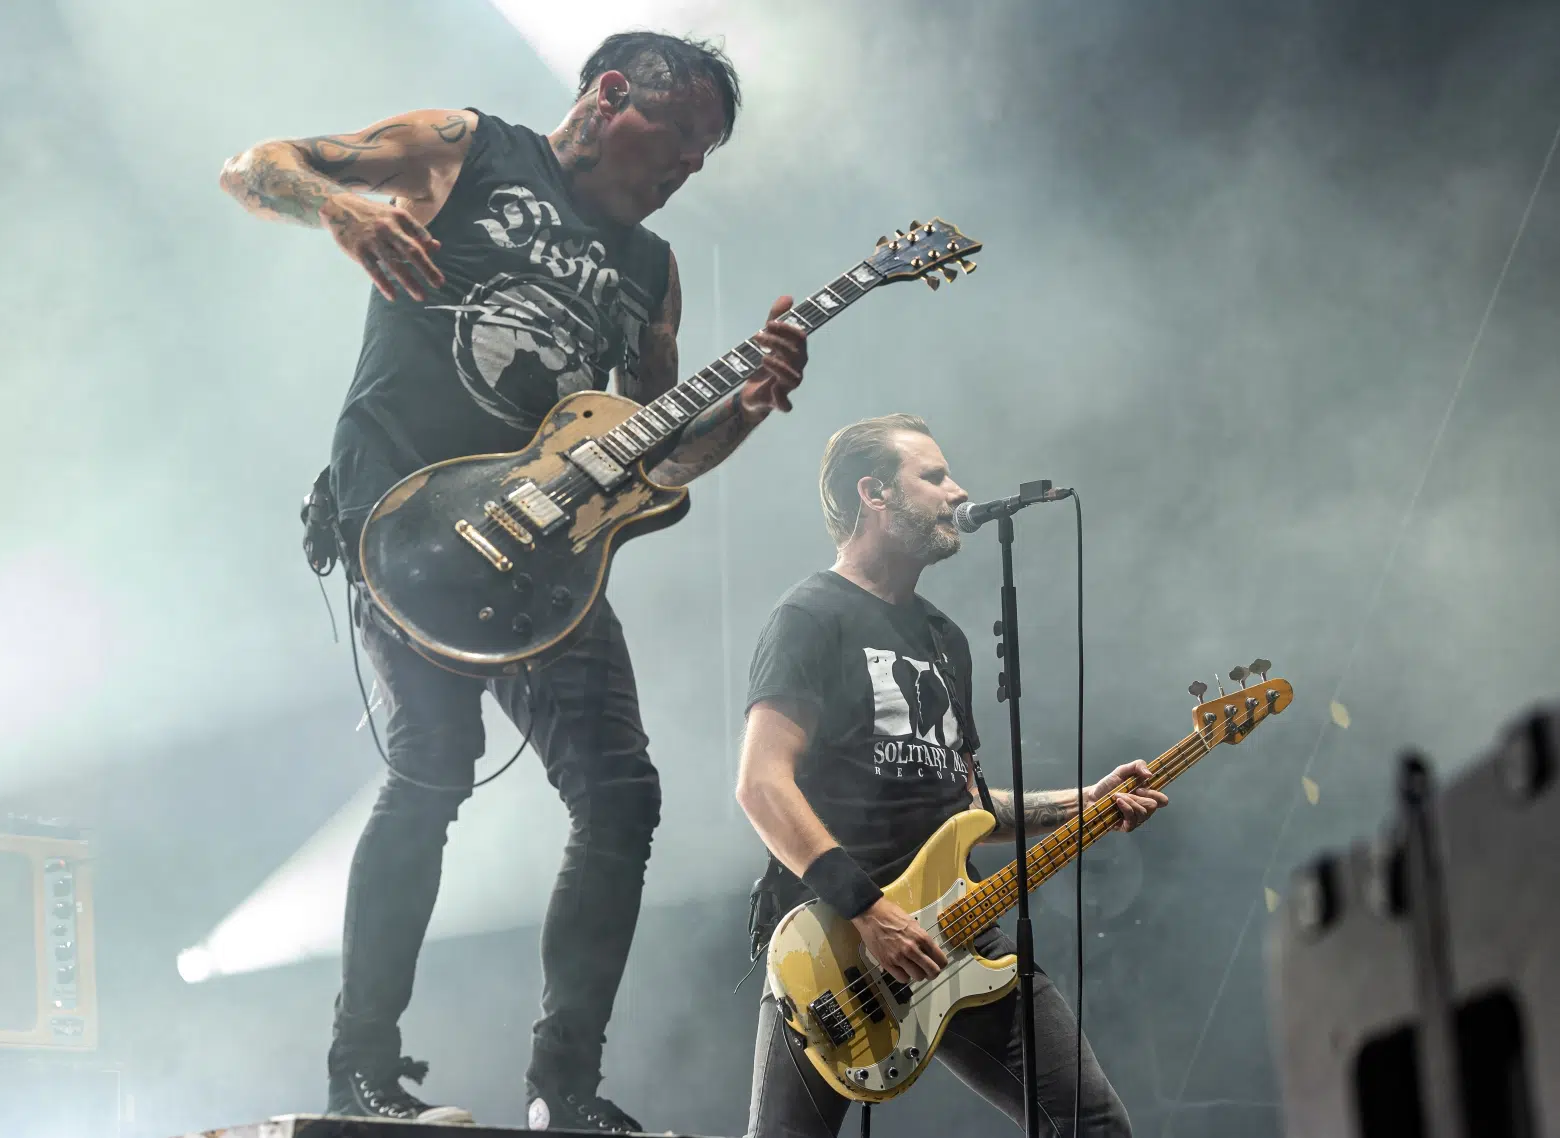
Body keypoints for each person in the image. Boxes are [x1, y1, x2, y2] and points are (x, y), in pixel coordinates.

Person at [219, 31, 810, 1132]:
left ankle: (564, 1089)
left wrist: (746, 407)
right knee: (433, 766)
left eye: (705, 155)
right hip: (407, 518)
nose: (688, 166)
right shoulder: (468, 148)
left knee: (621, 792)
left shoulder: (653, 271)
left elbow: (660, 454)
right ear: (611, 94)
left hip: (547, 550)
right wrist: (345, 213)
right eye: (680, 135)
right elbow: (257, 167)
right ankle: (362, 1072)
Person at [736, 414, 1163, 1137]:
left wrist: (1083, 802)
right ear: (874, 493)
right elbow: (761, 784)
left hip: (958, 931)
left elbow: (965, 805)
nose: (957, 491)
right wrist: (870, 912)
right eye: (932, 476)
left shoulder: (944, 638)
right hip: (834, 943)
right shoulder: (810, 616)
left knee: (1092, 1125)